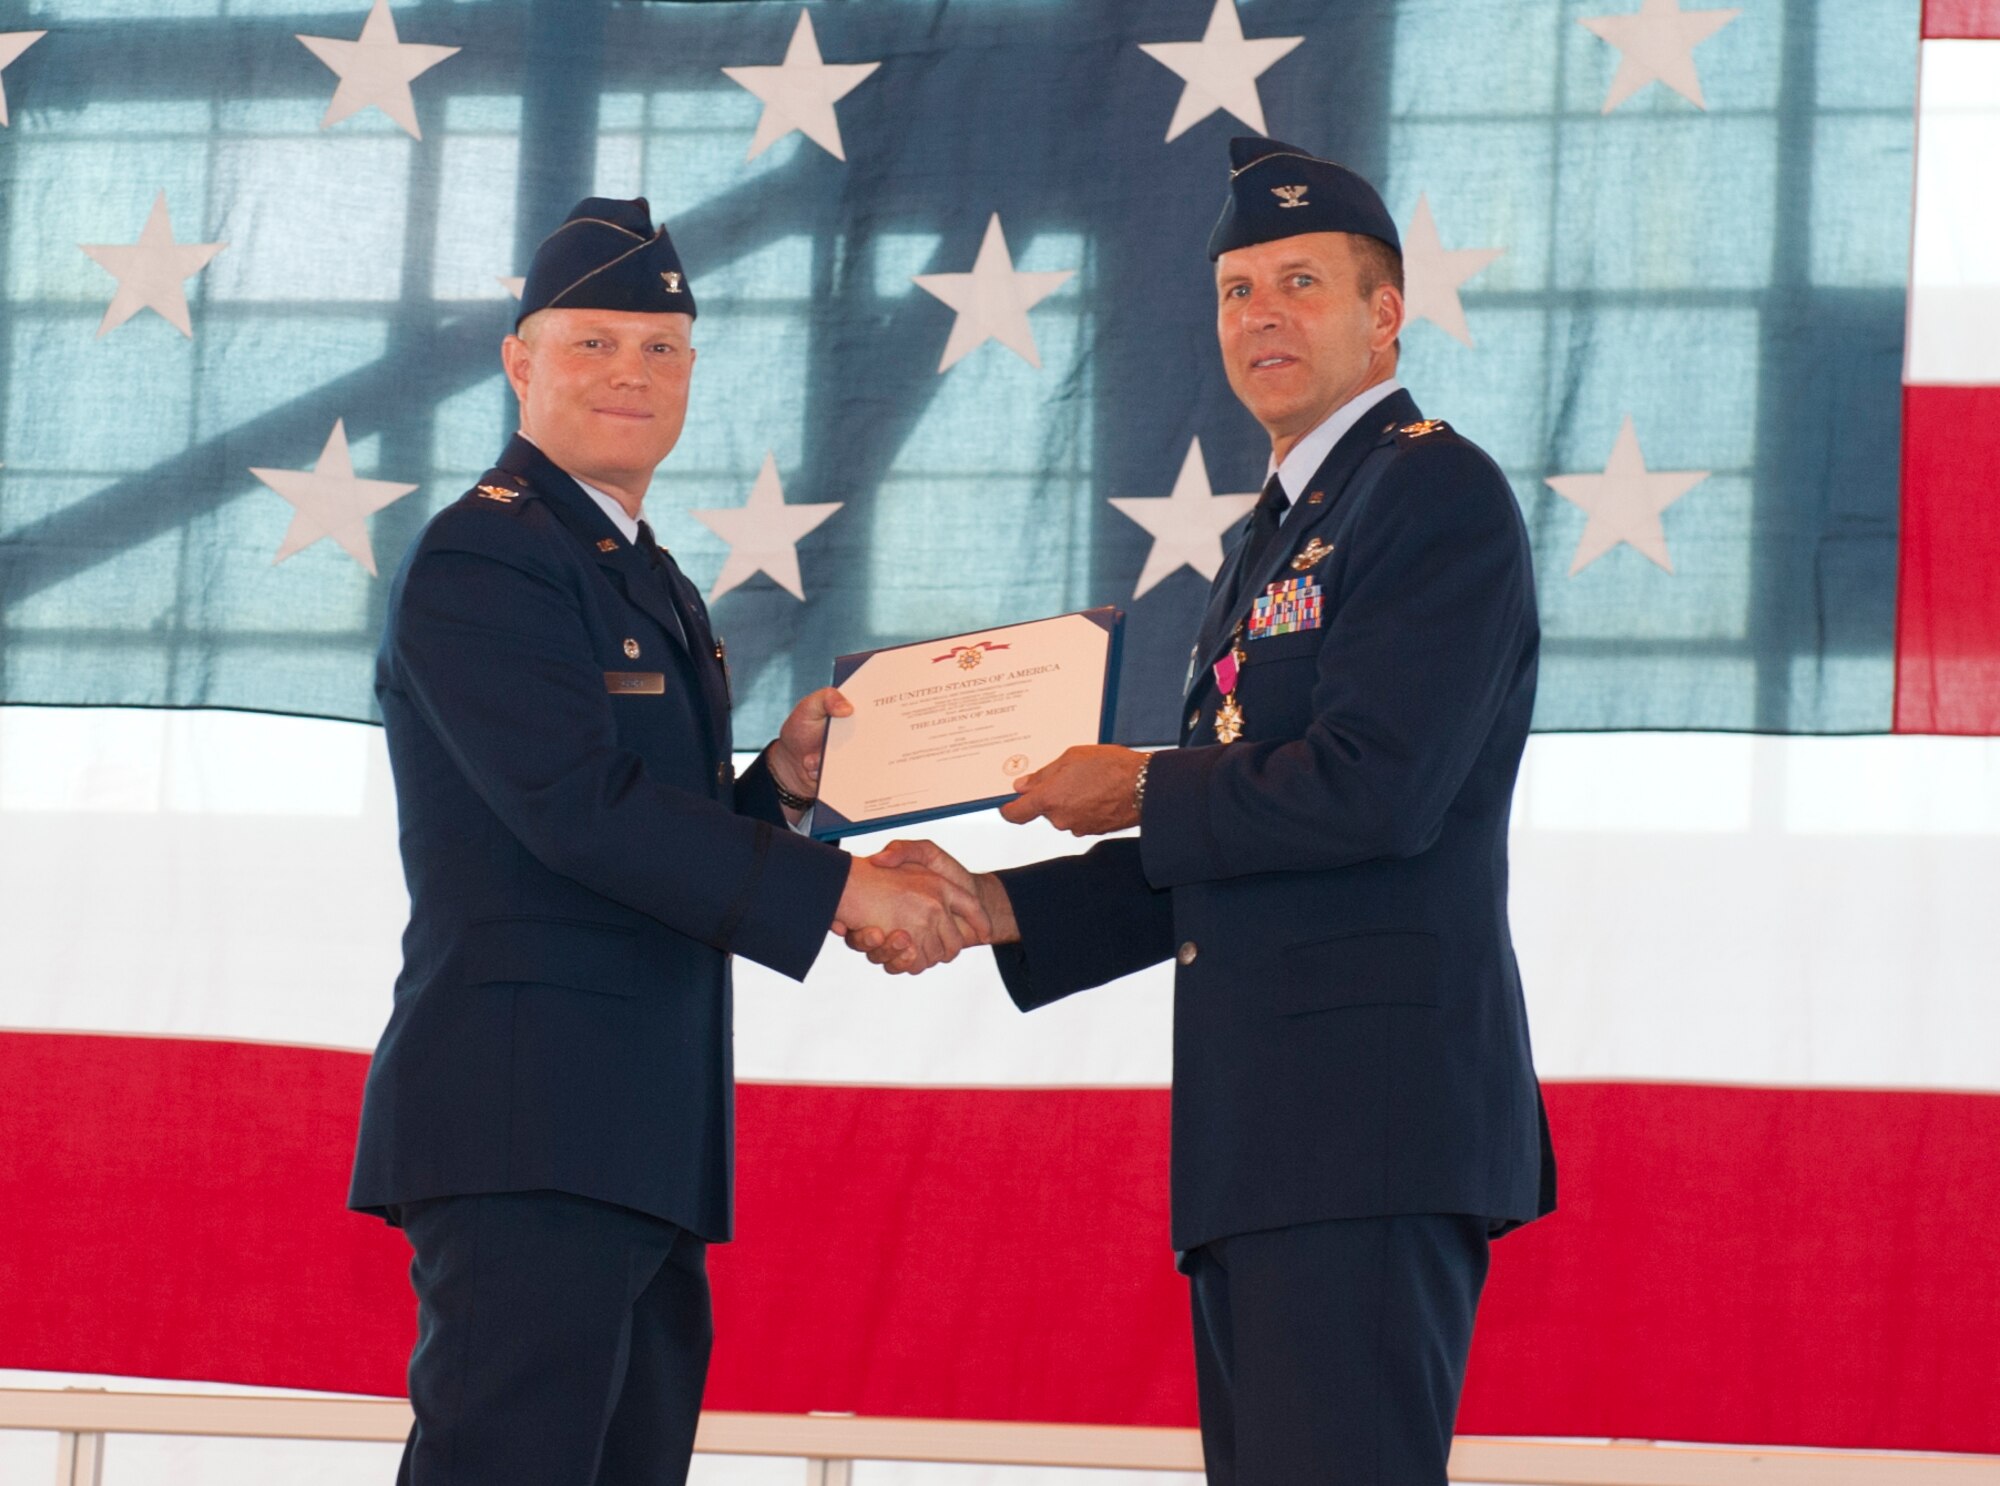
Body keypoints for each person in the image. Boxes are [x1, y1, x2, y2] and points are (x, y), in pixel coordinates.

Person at [858, 139, 1556, 1484]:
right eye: (1238, 290)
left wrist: (1134, 780)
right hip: (1269, 1140)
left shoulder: (1431, 489)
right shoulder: (1275, 534)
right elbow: (1235, 839)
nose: (1261, 315)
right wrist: (989, 904)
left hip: (1365, 1129)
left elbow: (1377, 788)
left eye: (1301, 282)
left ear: (1385, 312)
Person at [348, 197, 983, 1486]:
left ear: (692, 372)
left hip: (633, 1130)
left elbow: (645, 833)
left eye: (660, 349)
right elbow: (578, 811)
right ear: (519, 362)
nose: (629, 373)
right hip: (532, 1122)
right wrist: (843, 890)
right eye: (592, 343)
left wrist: (781, 790)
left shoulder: (641, 572)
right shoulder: (487, 554)